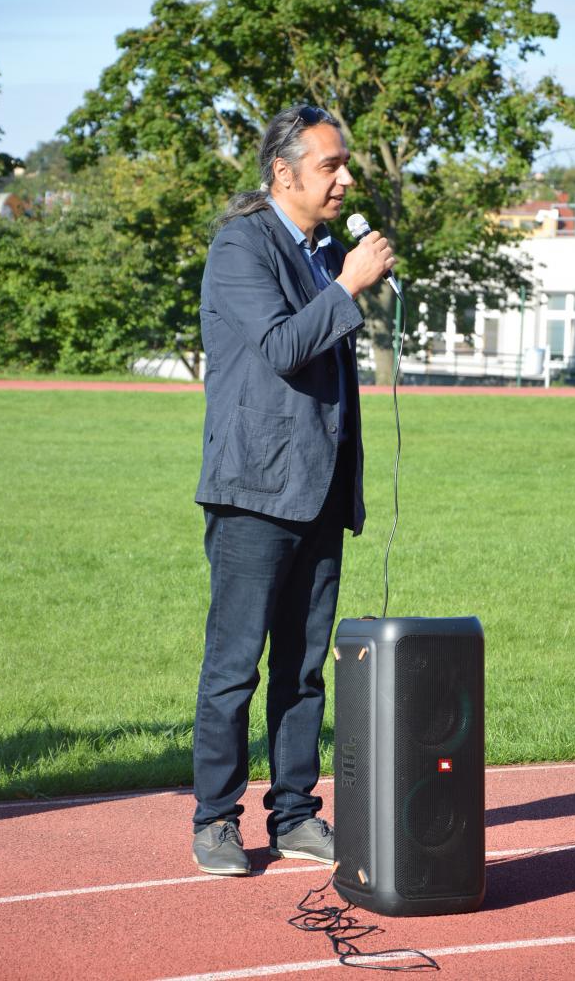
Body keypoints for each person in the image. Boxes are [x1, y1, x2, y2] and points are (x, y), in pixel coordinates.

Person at [192, 104, 395, 876]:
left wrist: (343, 278)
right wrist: (348, 286)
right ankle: (215, 821)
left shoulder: (325, 251)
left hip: (319, 491)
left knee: (305, 672)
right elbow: (281, 348)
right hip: (253, 489)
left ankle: (295, 815)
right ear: (283, 173)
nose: (344, 179)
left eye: (345, 165)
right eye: (329, 166)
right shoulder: (241, 245)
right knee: (234, 667)